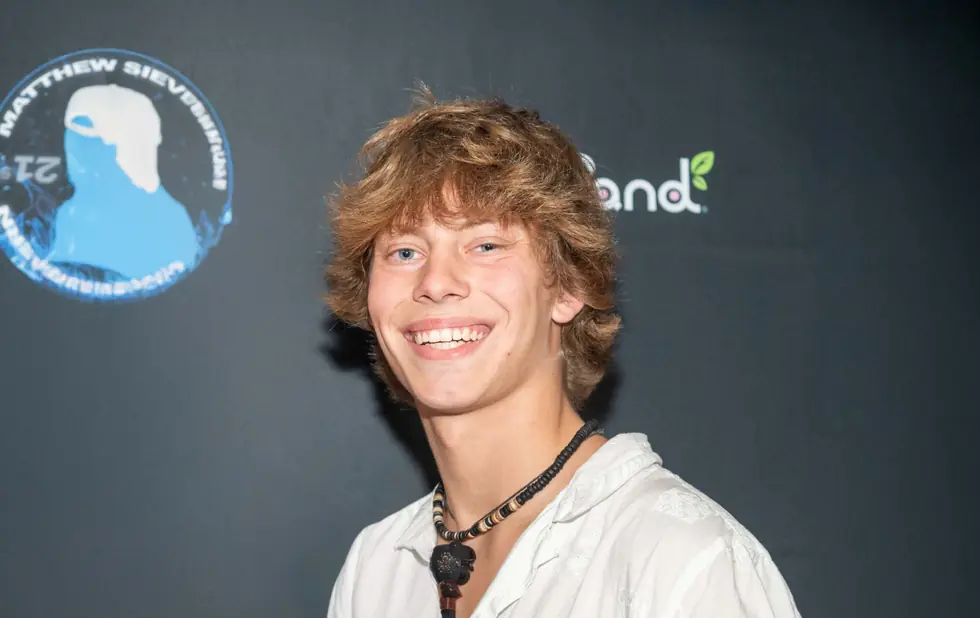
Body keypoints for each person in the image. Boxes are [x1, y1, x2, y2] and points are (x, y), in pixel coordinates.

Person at [324, 88, 802, 618]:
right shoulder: (377, 567)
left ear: (568, 286)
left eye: (485, 245)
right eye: (404, 252)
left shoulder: (681, 561)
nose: (435, 282)